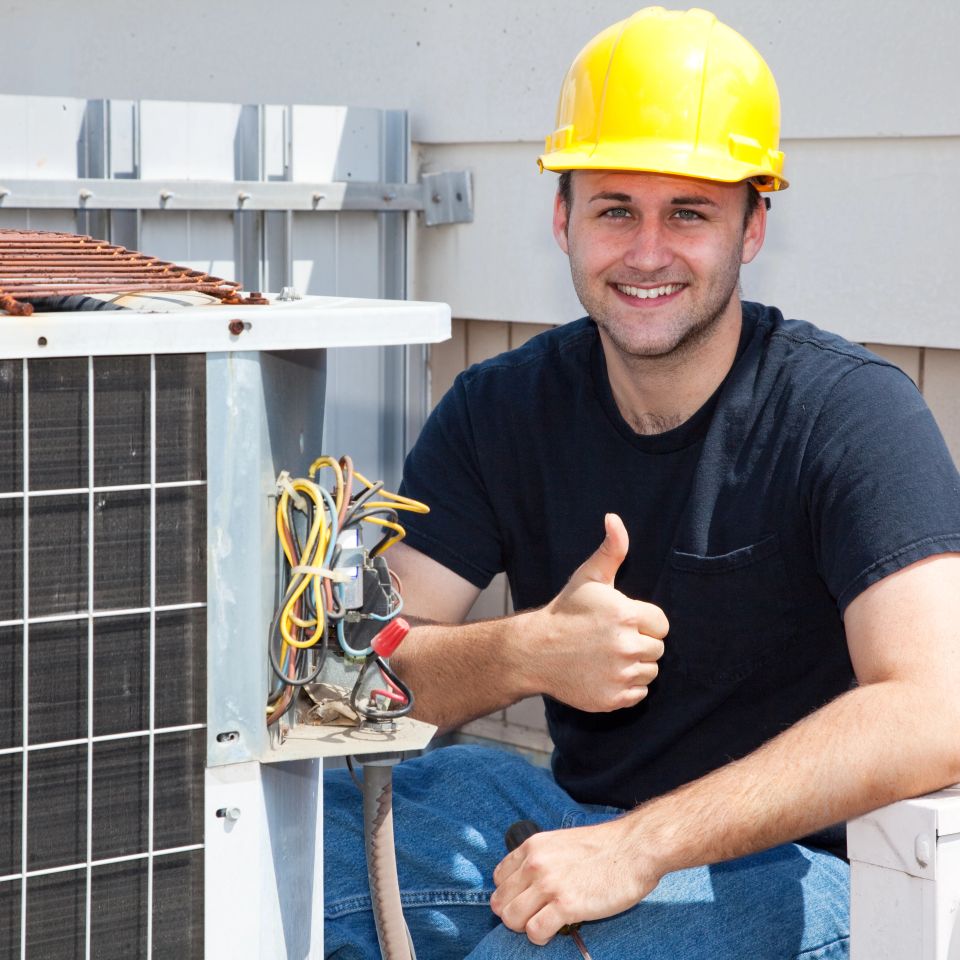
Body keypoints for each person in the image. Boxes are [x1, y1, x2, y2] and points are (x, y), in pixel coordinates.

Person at [324, 8, 960, 958]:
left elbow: (935, 706)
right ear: (563, 219)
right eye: (616, 208)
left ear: (752, 228)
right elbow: (361, 676)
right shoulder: (501, 408)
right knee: (294, 845)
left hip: (812, 869)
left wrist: (642, 845)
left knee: (533, 949)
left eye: (690, 212)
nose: (648, 251)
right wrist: (524, 654)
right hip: (573, 819)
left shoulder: (851, 416)